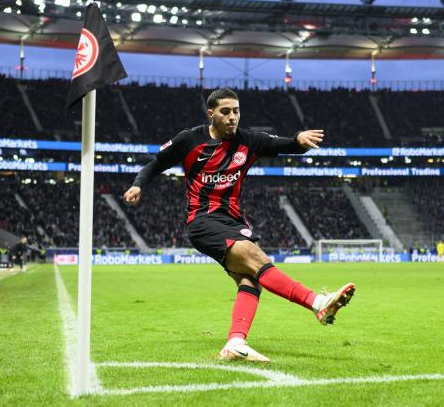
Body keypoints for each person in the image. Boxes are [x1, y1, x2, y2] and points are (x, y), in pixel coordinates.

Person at [123, 88, 355, 363]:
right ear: (211, 114)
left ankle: (235, 342)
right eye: (225, 112)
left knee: (250, 279)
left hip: (234, 221)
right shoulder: (190, 140)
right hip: (203, 220)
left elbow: (285, 145)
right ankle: (318, 303)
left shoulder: (249, 141)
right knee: (258, 259)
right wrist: (138, 185)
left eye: (236, 111)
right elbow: (155, 164)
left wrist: (300, 140)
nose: (232, 117)